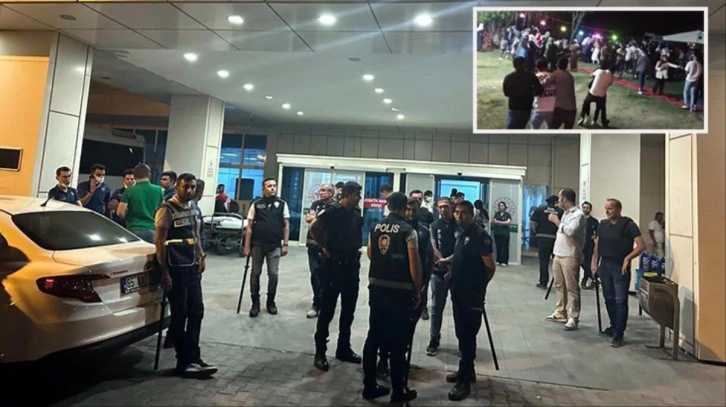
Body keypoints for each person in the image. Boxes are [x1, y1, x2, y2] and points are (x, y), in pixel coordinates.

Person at [155, 173, 217, 378]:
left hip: (192, 268)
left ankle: (194, 357)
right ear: (177, 187)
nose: (189, 190)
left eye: (192, 187)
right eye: (185, 187)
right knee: (180, 314)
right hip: (175, 269)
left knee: (196, 311)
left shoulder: (193, 209)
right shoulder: (166, 210)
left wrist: (201, 255)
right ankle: (184, 361)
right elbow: (159, 243)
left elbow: (196, 235)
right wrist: (164, 273)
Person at [362, 192, 422, 403]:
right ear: (404, 207)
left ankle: (369, 386)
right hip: (399, 291)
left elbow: (371, 253)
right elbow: (414, 264)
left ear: (388, 206)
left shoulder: (376, 227)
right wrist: (417, 290)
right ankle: (398, 391)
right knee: (398, 342)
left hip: (377, 288)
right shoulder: (408, 231)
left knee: (374, 337)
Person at [440, 201, 496, 401]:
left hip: (471, 295)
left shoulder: (480, 236)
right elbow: (461, 255)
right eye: (456, 212)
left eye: (463, 213)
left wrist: (479, 288)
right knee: (460, 332)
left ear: (472, 215)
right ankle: (467, 370)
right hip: (458, 291)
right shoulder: (461, 233)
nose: (459, 216)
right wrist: (449, 263)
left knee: (467, 335)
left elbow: (490, 267)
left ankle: (464, 382)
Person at [310, 181, 364, 371]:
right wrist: (324, 246)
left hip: (351, 265)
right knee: (327, 310)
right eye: (356, 194)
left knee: (348, 311)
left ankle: (343, 348)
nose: (359, 198)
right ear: (347, 194)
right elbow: (314, 227)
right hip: (334, 266)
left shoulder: (356, 212)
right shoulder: (332, 210)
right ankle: (320, 352)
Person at [591, 199, 646, 348]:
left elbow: (641, 245)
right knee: (608, 298)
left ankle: (619, 333)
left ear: (619, 209)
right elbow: (598, 245)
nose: (607, 211)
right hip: (605, 264)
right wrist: (594, 263)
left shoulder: (628, 224)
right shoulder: (603, 224)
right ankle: (613, 326)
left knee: (620, 300)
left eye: (610, 208)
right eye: (606, 208)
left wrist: (628, 258)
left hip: (619, 265)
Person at [243, 177, 290, 317]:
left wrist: (285, 243)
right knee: (255, 273)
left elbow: (286, 225)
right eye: (269, 186)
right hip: (257, 245)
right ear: (263, 188)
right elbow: (249, 227)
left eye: (274, 185)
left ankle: (271, 302)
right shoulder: (257, 204)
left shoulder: (282, 204)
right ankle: (255, 303)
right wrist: (247, 245)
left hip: (274, 244)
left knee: (273, 274)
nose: (272, 188)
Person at [545, 189, 586, 331]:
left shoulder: (578, 215)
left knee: (572, 287)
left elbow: (570, 231)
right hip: (558, 253)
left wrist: (557, 222)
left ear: (565, 199)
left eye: (560, 198)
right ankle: (560, 311)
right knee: (559, 284)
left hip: (570, 254)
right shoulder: (566, 213)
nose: (558, 201)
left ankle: (573, 317)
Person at [426, 197, 457, 356]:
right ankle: (434, 339)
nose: (443, 209)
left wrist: (451, 263)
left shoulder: (459, 225)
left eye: (446, 206)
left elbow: (461, 248)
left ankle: (463, 341)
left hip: (458, 274)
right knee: (436, 308)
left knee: (460, 309)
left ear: (451, 207)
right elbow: (433, 247)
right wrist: (444, 262)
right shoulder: (433, 226)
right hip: (438, 272)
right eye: (440, 207)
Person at [305, 183, 335, 318]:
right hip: (312, 246)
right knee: (314, 275)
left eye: (324, 190)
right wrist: (319, 218)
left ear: (331, 193)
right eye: (320, 190)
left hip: (326, 248)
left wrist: (316, 218)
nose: (321, 193)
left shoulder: (334, 207)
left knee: (325, 276)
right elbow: (308, 218)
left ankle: (324, 303)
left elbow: (328, 223)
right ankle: (316, 303)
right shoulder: (316, 204)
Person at [116, 164, 164, 244]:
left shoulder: (129, 191)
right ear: (149, 175)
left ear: (135, 176)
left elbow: (120, 212)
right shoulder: (159, 190)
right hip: (152, 229)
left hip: (133, 229)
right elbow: (162, 211)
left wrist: (127, 218)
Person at [530, 195, 563, 288]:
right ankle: (558, 283)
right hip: (555, 238)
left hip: (542, 237)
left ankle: (543, 282)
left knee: (543, 261)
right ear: (556, 202)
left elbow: (533, 222)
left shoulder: (539, 209)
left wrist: (536, 232)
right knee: (557, 262)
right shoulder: (560, 211)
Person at [502, 56, 544, 129]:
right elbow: (539, 89)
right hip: (526, 106)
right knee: (522, 126)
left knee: (512, 126)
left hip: (513, 106)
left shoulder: (509, 77)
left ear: (514, 65)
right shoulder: (530, 76)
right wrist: (531, 93)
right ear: (524, 64)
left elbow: (506, 93)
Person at [578, 62, 615, 128]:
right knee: (600, 106)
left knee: (586, 102)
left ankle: (583, 116)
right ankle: (594, 121)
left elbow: (591, 75)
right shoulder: (612, 78)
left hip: (592, 93)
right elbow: (608, 85)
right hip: (601, 96)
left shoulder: (599, 71)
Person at [546, 57, 578, 129]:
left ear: (557, 65)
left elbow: (545, 86)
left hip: (560, 109)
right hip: (572, 109)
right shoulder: (570, 76)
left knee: (552, 129)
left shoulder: (555, 74)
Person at [532, 58, 557, 129]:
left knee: (534, 129)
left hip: (539, 107)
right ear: (547, 66)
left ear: (536, 67)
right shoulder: (553, 77)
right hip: (552, 106)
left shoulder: (535, 77)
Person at [581, 202, 599, 289]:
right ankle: (594, 278)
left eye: (587, 208)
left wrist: (595, 236)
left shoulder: (594, 221)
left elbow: (598, 232)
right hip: (579, 244)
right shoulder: (578, 219)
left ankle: (584, 281)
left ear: (590, 209)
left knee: (587, 263)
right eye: (584, 207)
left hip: (589, 245)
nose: (585, 209)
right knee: (582, 262)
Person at [490, 201, 512, 266]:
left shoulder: (507, 214)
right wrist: (502, 222)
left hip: (505, 234)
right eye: (500, 206)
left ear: (505, 207)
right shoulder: (496, 214)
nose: (501, 207)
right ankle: (498, 260)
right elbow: (494, 221)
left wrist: (498, 222)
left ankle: (504, 261)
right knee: (498, 247)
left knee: (505, 247)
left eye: (502, 206)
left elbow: (507, 222)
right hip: (497, 233)